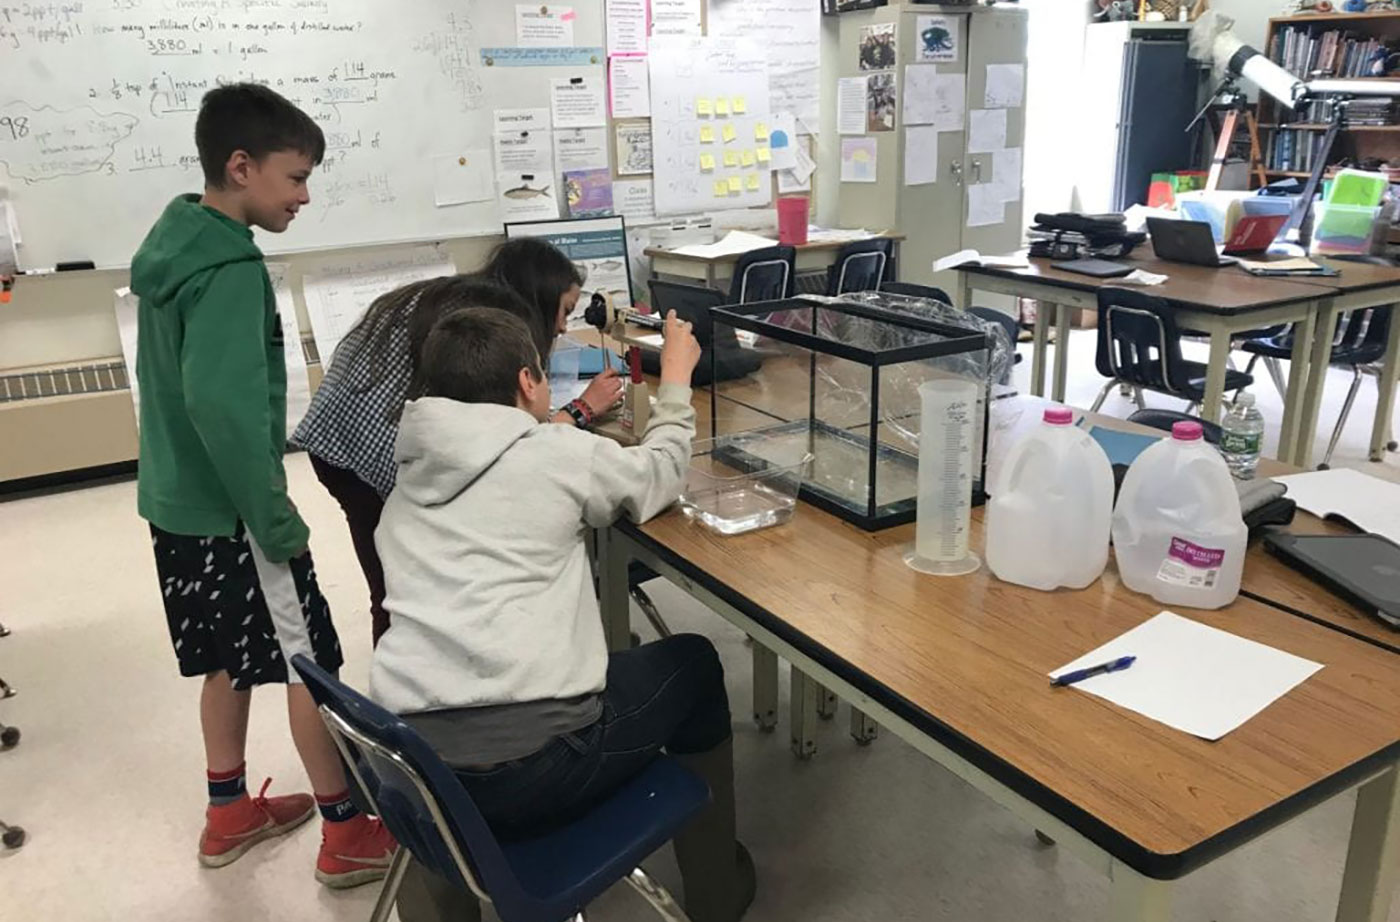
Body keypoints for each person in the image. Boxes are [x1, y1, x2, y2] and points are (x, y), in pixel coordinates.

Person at [371, 308, 756, 922]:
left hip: (410, 771)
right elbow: (658, 477)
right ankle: (718, 892)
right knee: (696, 663)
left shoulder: (408, 478)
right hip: (533, 770)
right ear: (528, 383)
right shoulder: (552, 452)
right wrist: (677, 381)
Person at [130, 83, 396, 886]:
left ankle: (228, 808)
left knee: (225, 656)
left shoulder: (179, 241)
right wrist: (274, 519)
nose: (305, 196)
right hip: (235, 514)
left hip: (178, 505)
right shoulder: (230, 270)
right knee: (310, 659)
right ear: (240, 167)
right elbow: (222, 406)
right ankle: (346, 831)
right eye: (294, 178)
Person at [292, 239, 625, 644]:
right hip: (369, 453)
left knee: (388, 577)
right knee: (401, 591)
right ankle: (420, 678)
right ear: (539, 296)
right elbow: (502, 445)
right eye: (565, 311)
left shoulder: (450, 296)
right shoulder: (487, 328)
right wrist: (581, 410)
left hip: (332, 440)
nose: (561, 328)